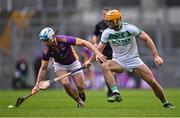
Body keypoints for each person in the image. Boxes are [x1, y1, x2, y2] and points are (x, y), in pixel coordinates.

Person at [84, 9, 175, 108]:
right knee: (105, 66)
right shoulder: (107, 33)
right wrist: (89, 61)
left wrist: (156, 56)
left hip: (134, 60)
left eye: (111, 21)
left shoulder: (130, 28)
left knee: (152, 81)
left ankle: (165, 102)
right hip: (118, 61)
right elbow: (98, 50)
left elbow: (147, 39)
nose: (108, 23)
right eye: (107, 21)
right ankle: (115, 93)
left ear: (118, 20)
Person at [31, 27, 106, 107]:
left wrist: (97, 53)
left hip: (73, 62)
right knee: (65, 83)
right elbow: (43, 68)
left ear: (52, 38)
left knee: (81, 86)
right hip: (59, 65)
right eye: (43, 41)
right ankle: (79, 101)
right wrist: (37, 85)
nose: (44, 43)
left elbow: (84, 43)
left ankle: (80, 92)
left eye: (46, 40)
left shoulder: (64, 39)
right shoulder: (46, 51)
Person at [91, 7, 115, 97]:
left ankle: (113, 89)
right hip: (102, 51)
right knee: (105, 70)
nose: (105, 15)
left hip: (113, 50)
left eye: (106, 14)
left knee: (112, 71)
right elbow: (95, 34)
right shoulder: (99, 25)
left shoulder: (113, 24)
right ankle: (110, 90)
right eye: (104, 14)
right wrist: (95, 43)